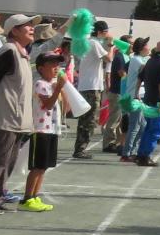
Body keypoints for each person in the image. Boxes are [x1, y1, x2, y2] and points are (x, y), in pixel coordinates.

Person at [0, 15, 39, 213]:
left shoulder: (22, 52)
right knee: (0, 158)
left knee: (9, 160)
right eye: (26, 26)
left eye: (32, 25)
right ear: (14, 31)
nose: (31, 28)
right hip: (7, 115)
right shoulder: (9, 51)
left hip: (18, 117)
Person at [22, 47, 70, 211]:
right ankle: (27, 197)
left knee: (44, 167)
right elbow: (47, 105)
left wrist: (62, 89)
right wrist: (57, 89)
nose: (56, 68)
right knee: (37, 166)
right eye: (52, 65)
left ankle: (35, 196)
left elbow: (67, 108)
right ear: (41, 68)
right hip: (40, 129)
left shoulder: (53, 84)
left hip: (52, 130)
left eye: (58, 65)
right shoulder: (40, 84)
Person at [131, 40, 160, 166]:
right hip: (158, 101)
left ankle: (141, 154)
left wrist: (136, 93)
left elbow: (140, 77)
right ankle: (145, 156)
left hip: (148, 98)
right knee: (156, 130)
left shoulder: (150, 60)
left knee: (148, 128)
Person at [72, 19, 110, 159]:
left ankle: (80, 147)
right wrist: (110, 45)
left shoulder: (87, 42)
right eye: (105, 32)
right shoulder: (94, 43)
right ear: (99, 32)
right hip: (92, 86)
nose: (107, 35)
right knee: (90, 120)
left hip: (86, 85)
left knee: (85, 119)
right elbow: (109, 58)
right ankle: (80, 149)